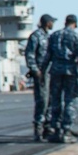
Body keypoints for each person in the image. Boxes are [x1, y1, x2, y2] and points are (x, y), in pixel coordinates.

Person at [43, 15, 78, 143]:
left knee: (56, 102)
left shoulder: (54, 36)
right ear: (75, 24)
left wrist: (42, 72)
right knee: (71, 102)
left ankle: (56, 130)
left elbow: (47, 56)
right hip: (71, 73)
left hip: (56, 72)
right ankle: (67, 130)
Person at [24, 13, 55, 142]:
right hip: (41, 74)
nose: (53, 24)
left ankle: (48, 128)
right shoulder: (36, 36)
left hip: (51, 73)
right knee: (42, 101)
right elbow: (29, 54)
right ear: (47, 23)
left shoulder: (49, 37)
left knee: (51, 102)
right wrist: (35, 70)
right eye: (51, 22)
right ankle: (38, 130)